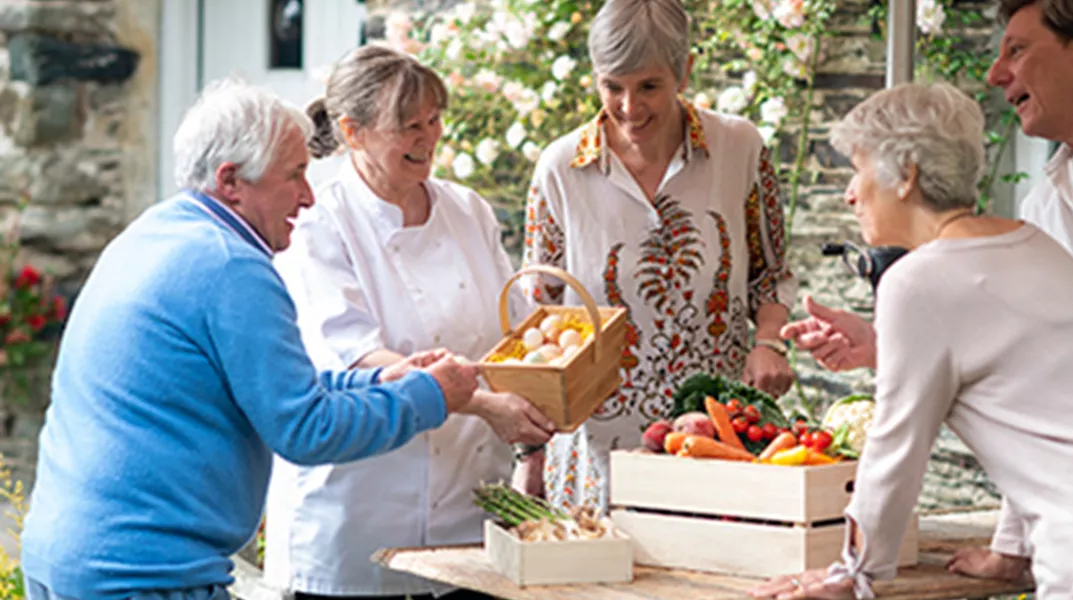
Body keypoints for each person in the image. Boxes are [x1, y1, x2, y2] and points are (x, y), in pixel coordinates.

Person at [787, 0, 1073, 583]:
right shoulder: (1034, 232)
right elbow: (1042, 401)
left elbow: (894, 452)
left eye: (858, 171)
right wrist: (1013, 552)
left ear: (906, 174)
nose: (851, 194)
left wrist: (851, 576)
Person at [19, 78, 481, 600]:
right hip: (143, 576)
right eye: (295, 175)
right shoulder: (232, 267)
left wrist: (378, 379)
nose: (309, 197)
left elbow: (262, 386)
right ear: (231, 181)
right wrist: (432, 396)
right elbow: (306, 430)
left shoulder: (154, 232)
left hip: (64, 556)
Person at [264, 43, 556, 600]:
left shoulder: (468, 210)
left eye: (434, 119)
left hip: (471, 519)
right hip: (359, 521)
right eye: (408, 126)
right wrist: (486, 406)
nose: (428, 138)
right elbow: (359, 359)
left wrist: (535, 443)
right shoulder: (320, 226)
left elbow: (514, 341)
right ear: (353, 132)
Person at [519, 0, 798, 509]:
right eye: (612, 86)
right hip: (598, 446)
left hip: (718, 434)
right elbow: (539, 316)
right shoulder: (560, 168)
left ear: (685, 71)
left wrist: (769, 342)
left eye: (649, 86)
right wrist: (530, 454)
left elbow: (771, 273)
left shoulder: (740, 148)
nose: (629, 108)